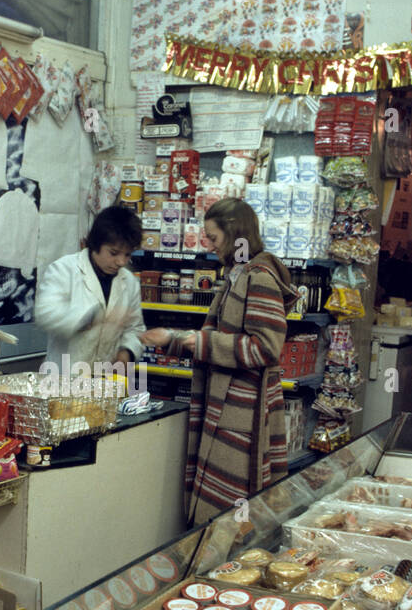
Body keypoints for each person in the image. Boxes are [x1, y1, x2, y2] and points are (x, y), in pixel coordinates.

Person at [141, 198, 296, 526]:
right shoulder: (237, 273)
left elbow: (266, 348)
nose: (208, 245)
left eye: (213, 237)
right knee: (221, 511)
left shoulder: (260, 276)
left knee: (233, 516)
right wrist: (172, 340)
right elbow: (219, 341)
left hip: (242, 413)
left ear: (236, 233)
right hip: (226, 407)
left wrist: (199, 341)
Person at [34, 206, 146, 379]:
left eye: (127, 254)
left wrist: (126, 353)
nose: (121, 262)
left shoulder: (129, 282)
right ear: (96, 244)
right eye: (114, 253)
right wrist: (92, 318)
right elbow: (46, 314)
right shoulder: (64, 270)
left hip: (104, 382)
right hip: (62, 377)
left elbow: (135, 328)